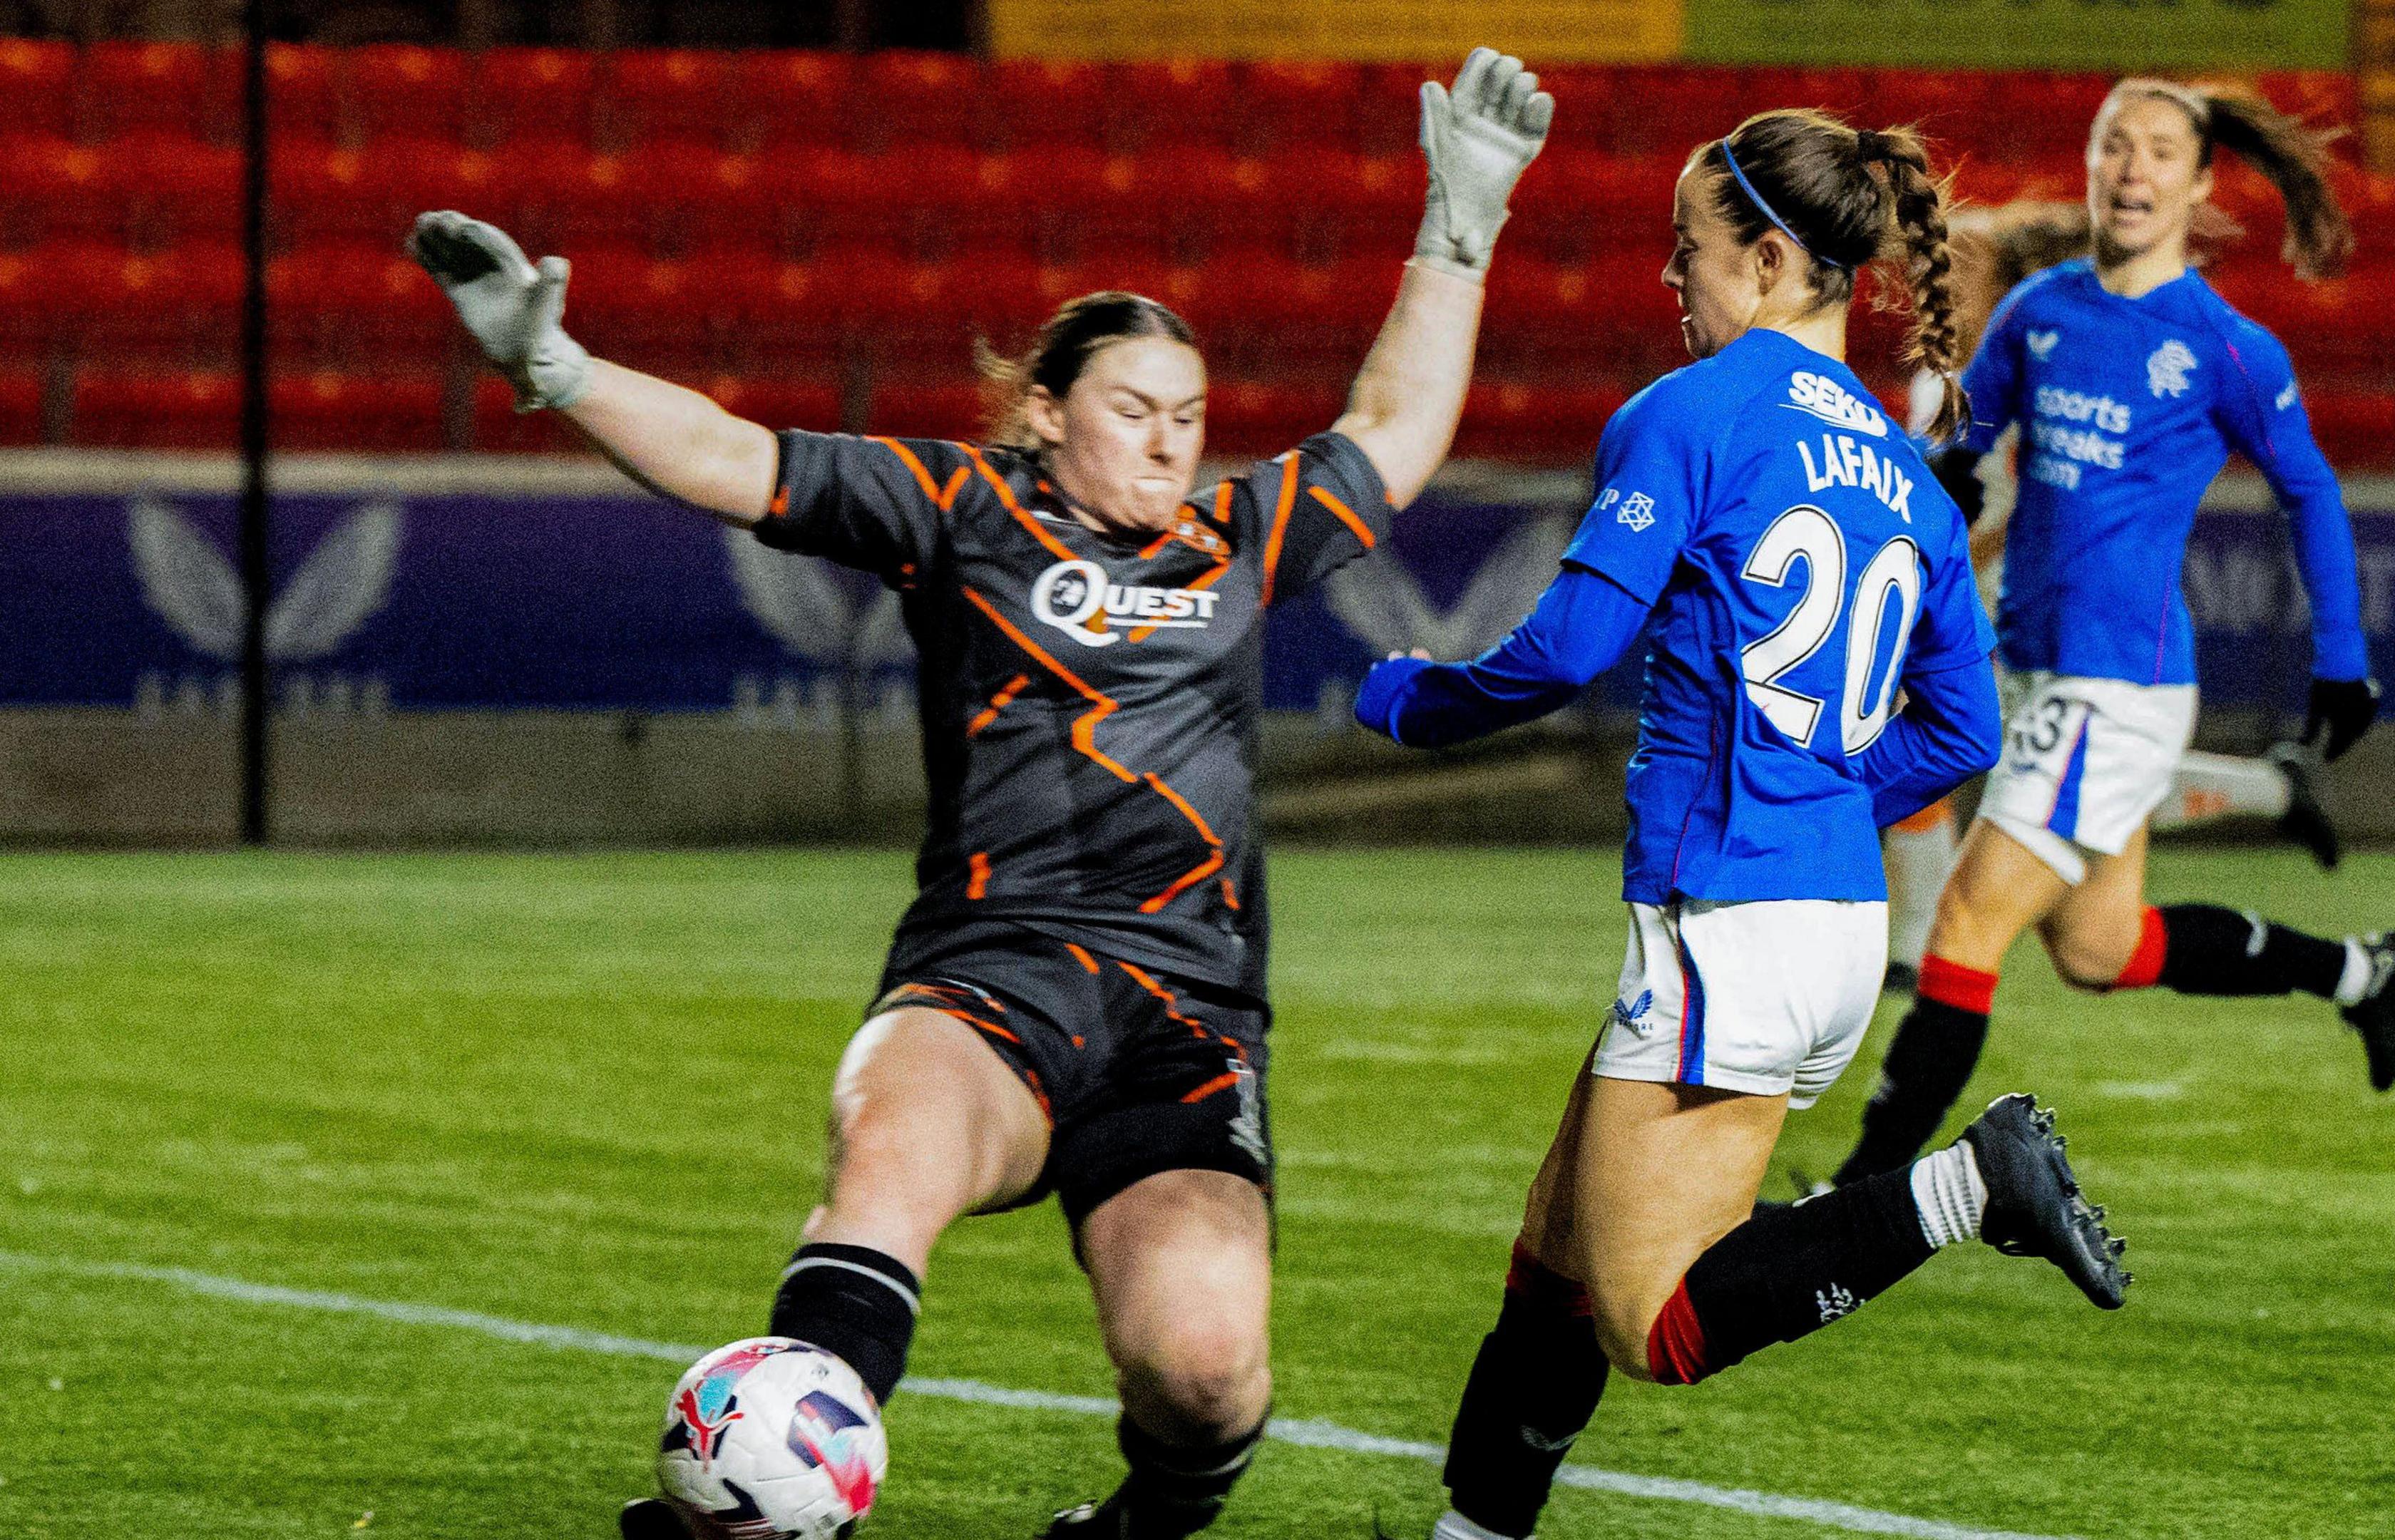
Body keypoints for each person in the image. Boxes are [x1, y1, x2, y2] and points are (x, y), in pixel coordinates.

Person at [406, 47, 1555, 1540]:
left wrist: (1457, 234)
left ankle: (1138, 1526)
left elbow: (1394, 432)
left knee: (1206, 1374)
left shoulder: (1240, 536)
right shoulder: (959, 508)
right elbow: (734, 459)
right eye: (1134, 406)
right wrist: (557, 370)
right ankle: (744, 1514)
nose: (1169, 436)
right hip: (991, 979)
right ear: (1046, 413)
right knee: (889, 1149)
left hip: (1187, 1020)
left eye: (1190, 412)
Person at [1350, 108, 2132, 1540]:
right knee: (1556, 1260)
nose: (1671, 284)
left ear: (1771, 260)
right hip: (1830, 920)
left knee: (1653, 1324)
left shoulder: (1690, 413)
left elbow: (1568, 649)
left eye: (1686, 254)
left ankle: (1971, 1184)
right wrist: (1822, 792)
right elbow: (1956, 734)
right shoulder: (1910, 479)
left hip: (1735, 926)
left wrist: (1412, 703)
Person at [1831, 79, 2395, 1192]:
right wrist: (1914, 500)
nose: (2134, 169)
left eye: (2160, 152)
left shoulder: (2226, 348)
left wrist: (2342, 658)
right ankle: (2363, 972)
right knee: (2102, 949)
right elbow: (1966, 459)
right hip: (2043, 674)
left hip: (2121, 685)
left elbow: (2311, 493)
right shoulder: (2039, 312)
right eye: (2116, 147)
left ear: (2199, 185)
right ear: (2094, 167)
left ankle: (1853, 1192)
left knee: (1962, 920)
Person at [1879, 194, 2342, 995]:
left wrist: (1935, 565)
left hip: (2019, 615)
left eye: (1963, 270)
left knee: (2004, 766)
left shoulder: (2031, 366)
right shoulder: (1951, 377)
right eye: (1940, 268)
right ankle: (2273, 786)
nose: (1941, 282)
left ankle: (1918, 945)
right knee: (2070, 790)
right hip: (1982, 613)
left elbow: (2024, 505)